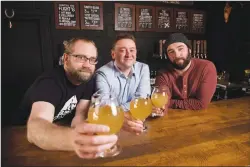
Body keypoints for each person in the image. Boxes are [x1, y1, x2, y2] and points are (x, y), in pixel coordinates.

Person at [18, 38, 117, 159]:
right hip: (21, 139)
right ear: (66, 58)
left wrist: (84, 135)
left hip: (56, 137)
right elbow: (35, 129)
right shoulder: (49, 83)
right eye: (81, 57)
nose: (87, 65)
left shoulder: (86, 78)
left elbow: (79, 115)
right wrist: (74, 140)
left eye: (92, 59)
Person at [95, 33, 151, 135]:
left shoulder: (143, 68)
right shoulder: (102, 73)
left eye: (132, 50)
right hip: (111, 128)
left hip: (136, 124)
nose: (128, 54)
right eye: (122, 50)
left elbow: (142, 100)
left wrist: (118, 110)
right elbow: (105, 107)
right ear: (113, 54)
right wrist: (131, 109)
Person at [155, 33, 217, 114]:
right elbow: (162, 102)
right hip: (172, 121)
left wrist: (169, 102)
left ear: (189, 50)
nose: (177, 55)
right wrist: (162, 105)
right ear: (167, 56)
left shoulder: (206, 67)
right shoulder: (163, 74)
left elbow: (201, 104)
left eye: (180, 49)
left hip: (202, 119)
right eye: (171, 52)